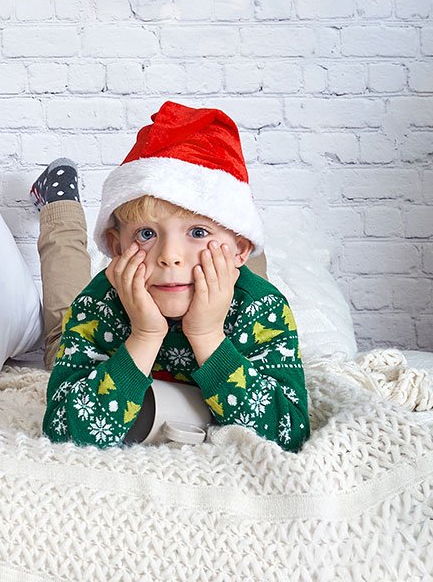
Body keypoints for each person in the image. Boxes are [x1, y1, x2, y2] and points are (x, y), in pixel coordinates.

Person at [39, 102, 309, 452]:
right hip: (129, 300)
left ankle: (223, 244)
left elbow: (288, 435)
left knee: (234, 275)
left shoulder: (261, 309)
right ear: (116, 246)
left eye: (197, 232)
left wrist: (208, 335)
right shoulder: (97, 304)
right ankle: (58, 201)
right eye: (146, 234)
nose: (168, 255)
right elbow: (63, 432)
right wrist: (144, 335)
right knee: (62, 325)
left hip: (230, 281)